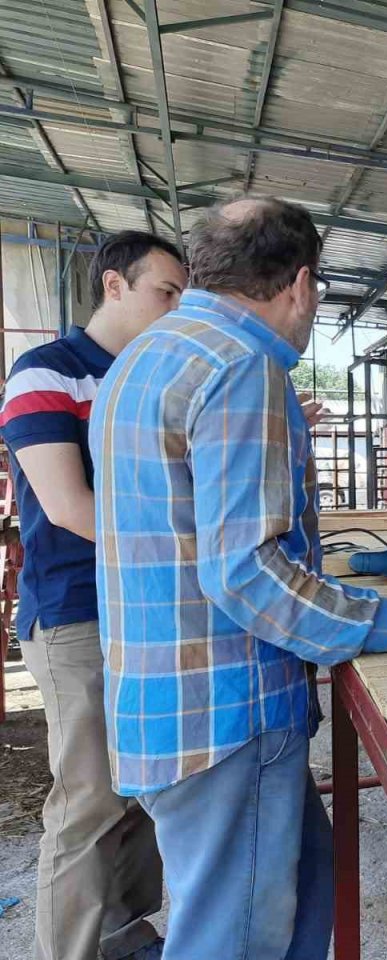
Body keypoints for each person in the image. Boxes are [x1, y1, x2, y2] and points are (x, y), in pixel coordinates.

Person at [89, 197, 387, 960]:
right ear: (303, 283)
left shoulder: (146, 356)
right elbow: (246, 572)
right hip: (227, 716)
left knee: (301, 894)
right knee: (234, 943)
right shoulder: (243, 366)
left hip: (165, 704)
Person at [0, 230, 186, 960]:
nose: (176, 309)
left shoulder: (156, 381)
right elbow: (72, 507)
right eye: (164, 293)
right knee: (89, 800)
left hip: (152, 606)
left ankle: (126, 932)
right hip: (79, 611)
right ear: (115, 285)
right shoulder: (47, 372)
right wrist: (195, 547)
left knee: (143, 784)